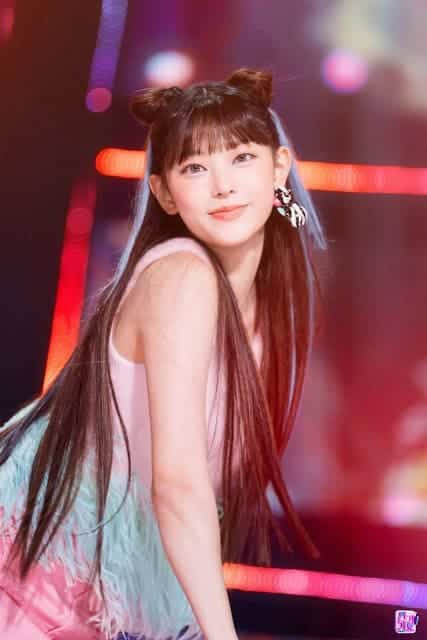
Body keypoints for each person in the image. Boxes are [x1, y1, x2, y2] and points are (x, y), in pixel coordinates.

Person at [0, 67, 327, 640]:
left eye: (242, 158)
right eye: (195, 167)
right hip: (45, 570)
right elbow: (177, 486)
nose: (222, 185)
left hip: (101, 584)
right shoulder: (182, 274)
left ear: (279, 168)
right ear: (164, 193)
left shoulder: (265, 307)